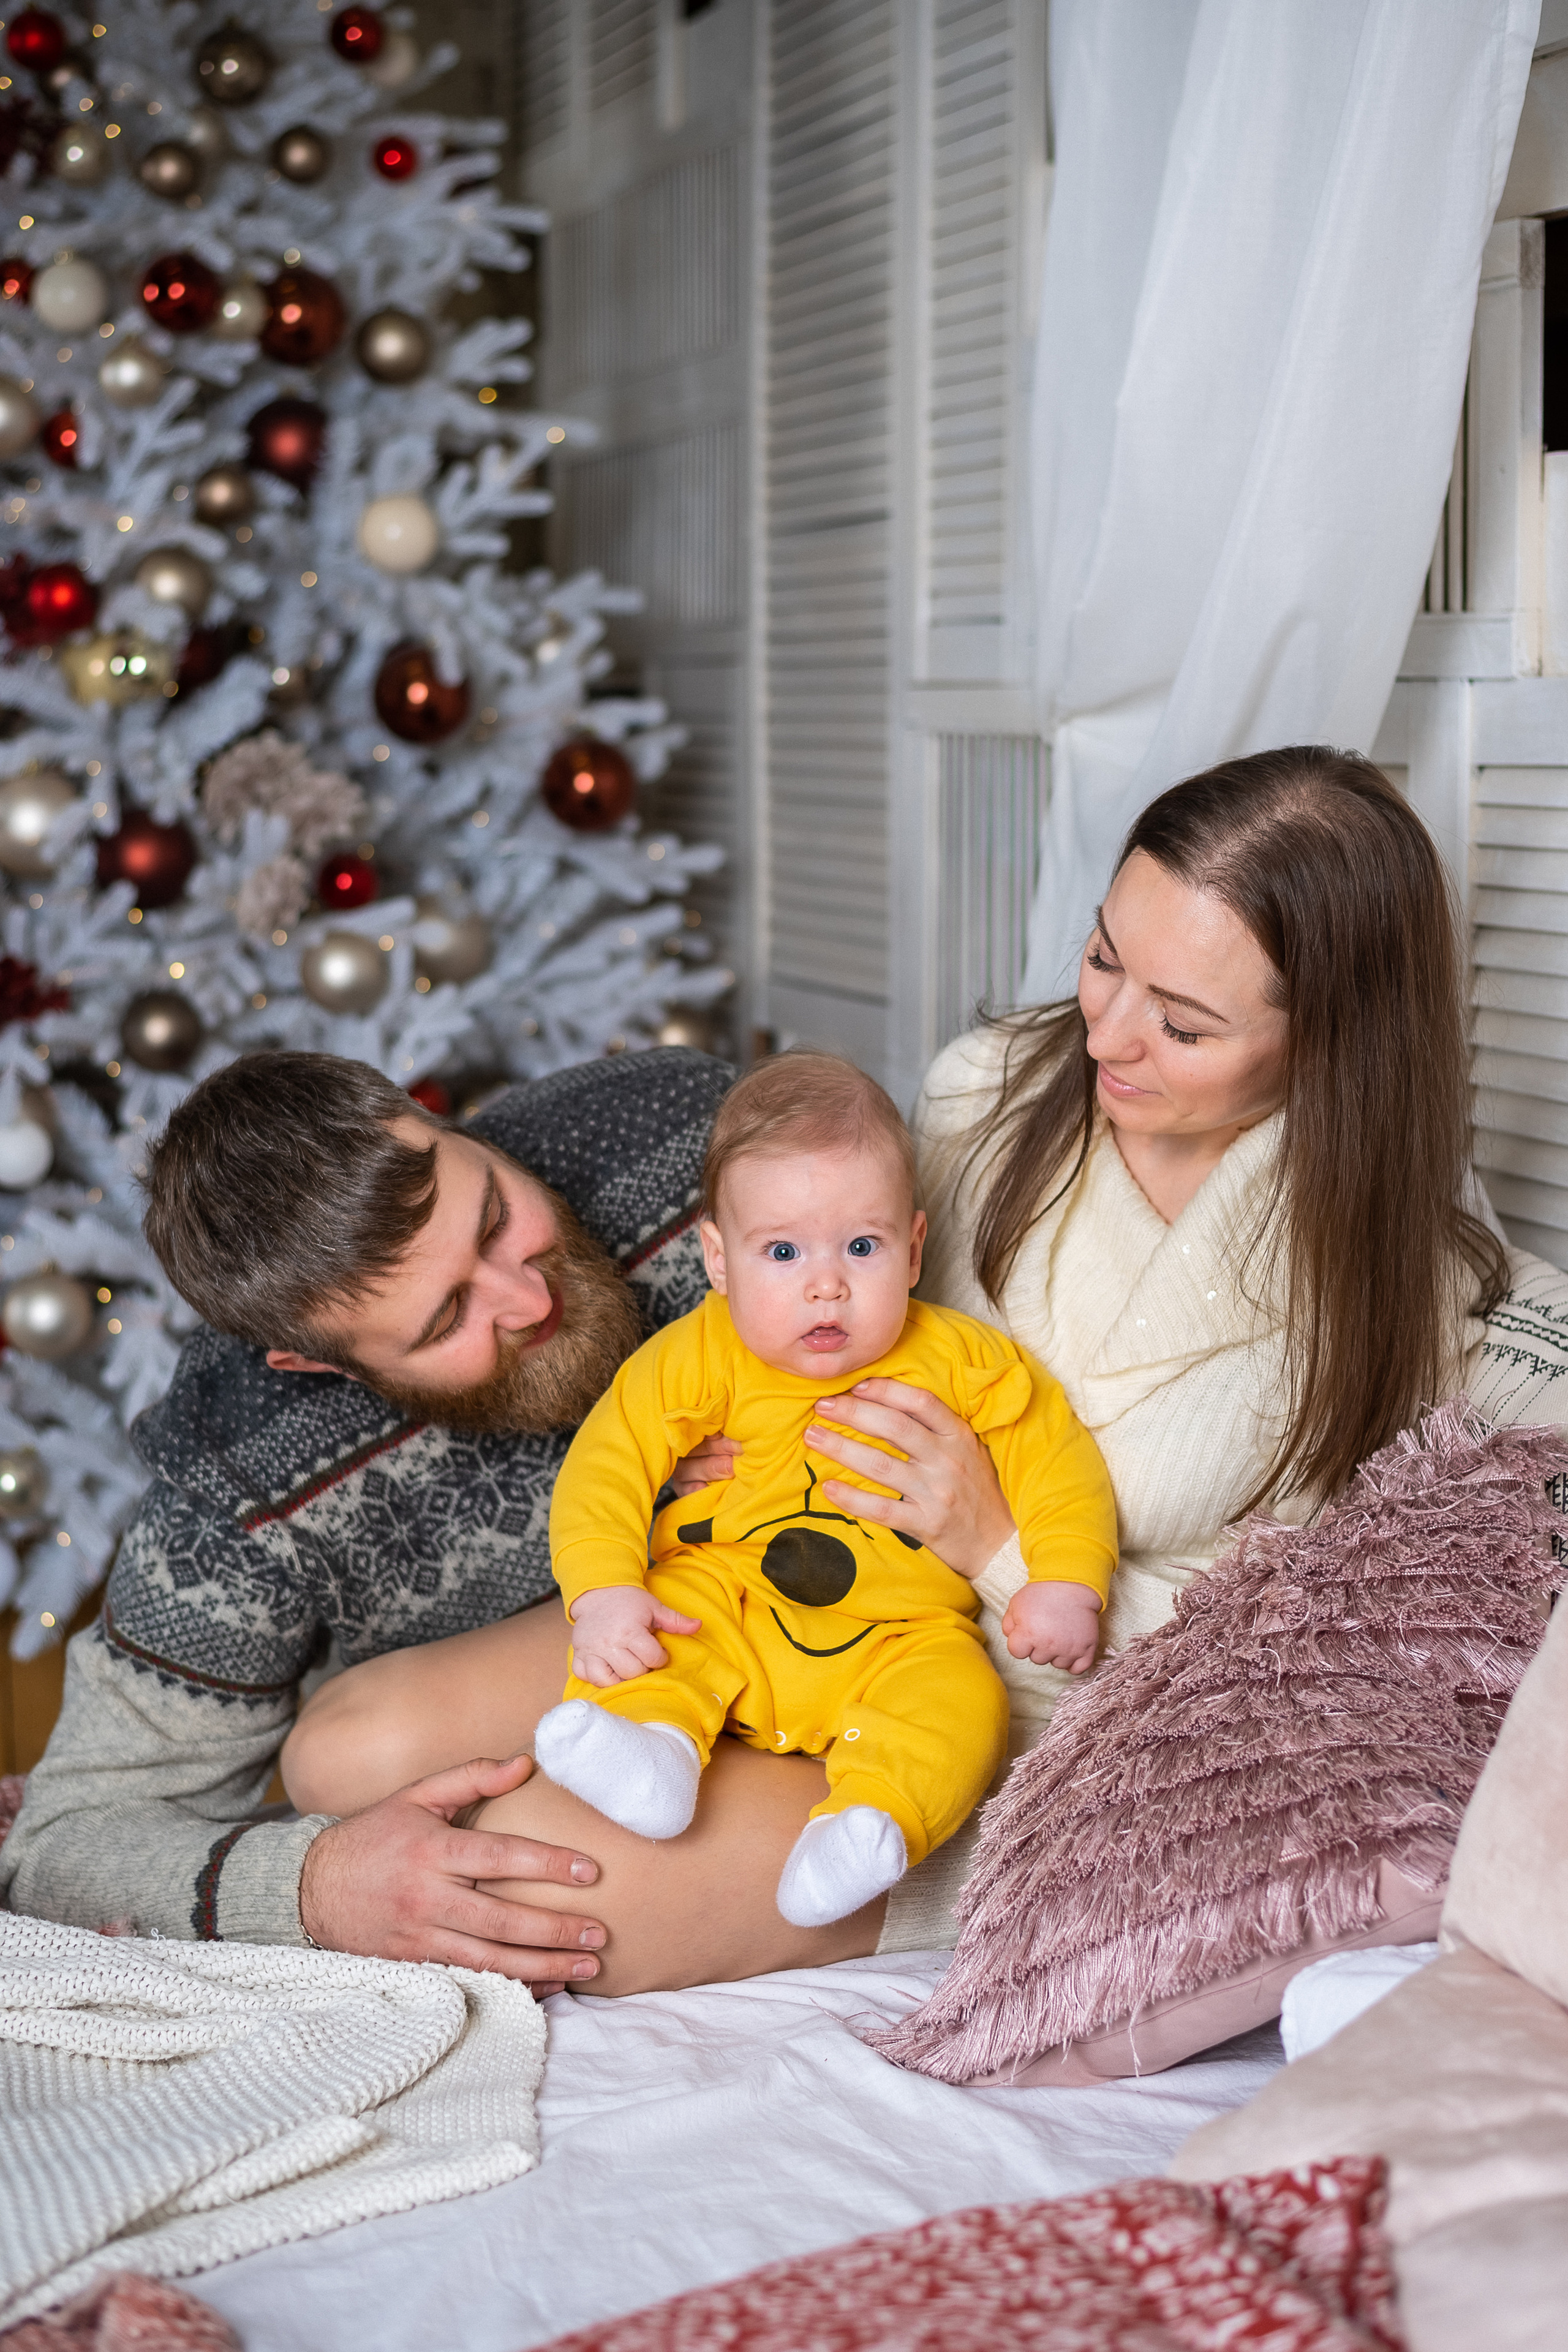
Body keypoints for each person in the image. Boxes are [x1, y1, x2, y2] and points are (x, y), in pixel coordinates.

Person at [274, 744, 1526, 1987]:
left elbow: (1281, 1654)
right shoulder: (986, 1094)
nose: (1107, 1033)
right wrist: (703, 1474)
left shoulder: (1384, 1290)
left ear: (1327, 1041)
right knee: (340, 1754)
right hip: (765, 1566)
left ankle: (850, 1825)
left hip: (1001, 1711)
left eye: (1182, 1023)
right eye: (1102, 959)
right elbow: (822, 1304)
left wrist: (997, 1548)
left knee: (521, 1870)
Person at [528, 1052, 1116, 1928]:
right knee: (656, 1633)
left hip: (900, 1634)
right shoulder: (695, 1357)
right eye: (784, 1250)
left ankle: (870, 1822)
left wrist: (1068, 1579)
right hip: (732, 1604)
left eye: (863, 1246)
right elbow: (607, 1467)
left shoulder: (961, 1359)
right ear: (719, 1261)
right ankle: (653, 1749)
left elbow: (1055, 1459)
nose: (826, 1282)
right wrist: (604, 1592)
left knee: (963, 1702)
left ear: (914, 1251)